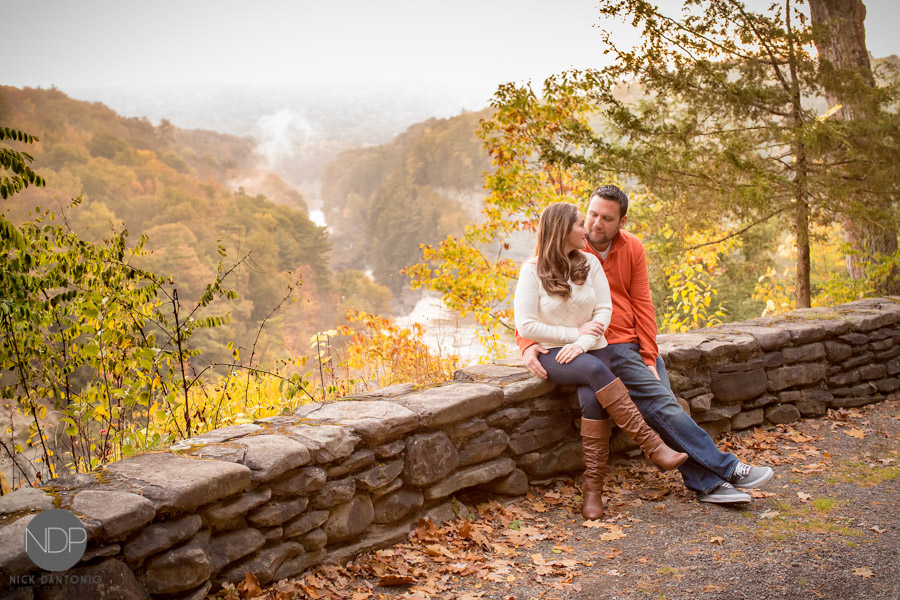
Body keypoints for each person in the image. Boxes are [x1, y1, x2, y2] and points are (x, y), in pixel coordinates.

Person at [518, 185, 774, 505]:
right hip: (604, 348)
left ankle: (709, 483)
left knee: (663, 406)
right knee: (662, 406)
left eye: (607, 218)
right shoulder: (570, 243)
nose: (595, 224)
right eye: (592, 215)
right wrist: (526, 344)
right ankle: (726, 470)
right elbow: (531, 304)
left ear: (622, 221)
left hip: (630, 344)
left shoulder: (631, 247)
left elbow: (643, 304)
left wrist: (650, 357)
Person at [514, 202, 688, 520]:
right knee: (595, 370)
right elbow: (526, 326)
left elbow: (604, 311)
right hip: (553, 354)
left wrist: (582, 342)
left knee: (592, 399)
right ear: (562, 230)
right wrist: (573, 335)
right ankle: (652, 445)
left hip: (593, 347)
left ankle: (593, 491)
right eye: (581, 224)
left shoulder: (589, 263)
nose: (587, 229)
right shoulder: (532, 270)